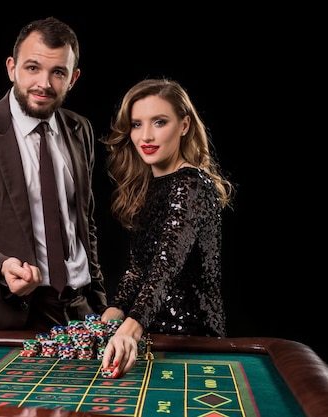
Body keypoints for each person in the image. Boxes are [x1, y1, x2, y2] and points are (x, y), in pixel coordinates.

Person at [0, 17, 111, 331]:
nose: (44, 83)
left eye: (58, 72)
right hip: (11, 314)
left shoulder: (79, 129)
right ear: (11, 67)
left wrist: (98, 297)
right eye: (32, 68)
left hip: (83, 311)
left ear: (73, 79)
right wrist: (1, 267)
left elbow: (83, 219)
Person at [99, 78, 235, 377]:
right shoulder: (147, 186)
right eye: (136, 124)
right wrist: (113, 313)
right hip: (149, 336)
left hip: (192, 341)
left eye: (159, 122)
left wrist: (130, 327)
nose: (146, 135)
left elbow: (166, 266)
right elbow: (138, 269)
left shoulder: (192, 184)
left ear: (184, 125)